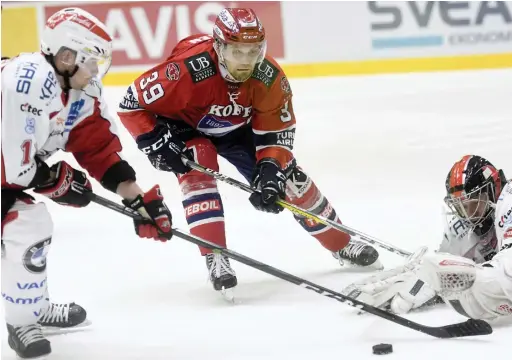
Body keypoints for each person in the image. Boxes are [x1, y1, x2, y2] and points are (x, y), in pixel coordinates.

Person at [117, 7, 382, 296]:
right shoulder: (186, 70)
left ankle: (341, 243)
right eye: (237, 52)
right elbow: (130, 103)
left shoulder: (268, 77)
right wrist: (153, 139)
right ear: (219, 46)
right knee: (198, 162)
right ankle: (214, 254)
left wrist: (270, 170)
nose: (246, 61)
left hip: (236, 130)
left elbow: (276, 132)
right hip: (183, 126)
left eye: (253, 51)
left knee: (289, 177)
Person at [1, 8, 173, 359]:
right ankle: (23, 321)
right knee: (27, 226)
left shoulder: (79, 92)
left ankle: (32, 306)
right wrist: (56, 180)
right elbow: (15, 172)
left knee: (27, 227)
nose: (96, 70)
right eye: (91, 61)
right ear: (65, 56)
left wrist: (138, 200)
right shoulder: (27, 81)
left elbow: (97, 149)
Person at [343, 153, 512, 319]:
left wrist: (458, 280)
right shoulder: (476, 219)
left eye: (474, 202)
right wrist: (428, 276)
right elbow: (444, 262)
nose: (468, 214)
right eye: (461, 207)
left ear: (494, 189)